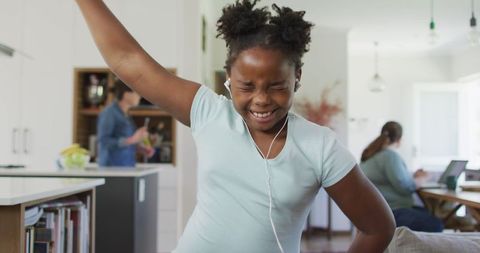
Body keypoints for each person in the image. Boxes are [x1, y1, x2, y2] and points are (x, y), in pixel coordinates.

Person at [75, 0, 395, 252]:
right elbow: (127, 61)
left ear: (297, 77)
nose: (260, 100)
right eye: (246, 86)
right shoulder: (210, 113)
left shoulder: (320, 146)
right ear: (229, 77)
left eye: (276, 86)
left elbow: (378, 227)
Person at [360, 121, 444, 232]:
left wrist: (413, 176)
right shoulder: (389, 156)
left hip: (376, 211)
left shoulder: (370, 154)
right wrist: (422, 179)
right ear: (399, 140)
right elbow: (405, 187)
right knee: (436, 224)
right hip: (392, 211)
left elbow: (391, 180)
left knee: (427, 213)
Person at [96, 79, 154, 166]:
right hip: (112, 170)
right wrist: (132, 139)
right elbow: (104, 142)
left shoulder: (126, 115)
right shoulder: (109, 113)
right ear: (126, 94)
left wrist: (141, 149)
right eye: (137, 93)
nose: (140, 96)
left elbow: (126, 144)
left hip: (127, 167)